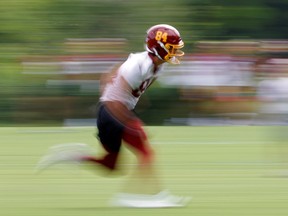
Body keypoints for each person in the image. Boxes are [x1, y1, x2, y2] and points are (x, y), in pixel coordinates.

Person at [36, 24, 190, 208]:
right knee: (147, 153)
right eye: (172, 48)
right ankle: (144, 196)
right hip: (113, 110)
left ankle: (72, 156)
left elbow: (111, 78)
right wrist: (129, 121)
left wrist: (130, 102)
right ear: (158, 47)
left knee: (110, 165)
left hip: (114, 109)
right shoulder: (139, 64)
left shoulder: (155, 66)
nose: (175, 52)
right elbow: (114, 100)